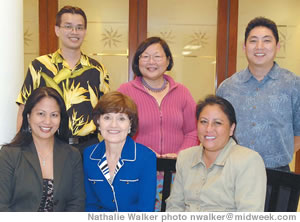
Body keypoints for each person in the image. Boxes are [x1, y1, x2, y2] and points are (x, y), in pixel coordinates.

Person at [118, 36, 198, 210]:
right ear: (137, 60)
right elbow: (115, 132)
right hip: (137, 170)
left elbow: (193, 131)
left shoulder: (182, 92)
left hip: (177, 172)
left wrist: (181, 155)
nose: (151, 62)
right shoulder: (125, 92)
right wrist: (143, 153)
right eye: (145, 56)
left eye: (157, 56)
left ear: (168, 60)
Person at [16, 6, 109, 153]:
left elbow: (106, 112)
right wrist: (21, 148)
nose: (74, 32)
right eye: (68, 26)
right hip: (49, 144)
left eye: (79, 27)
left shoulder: (97, 69)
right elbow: (24, 108)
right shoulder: (39, 65)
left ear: (85, 31)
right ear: (57, 30)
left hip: (89, 147)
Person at [216, 17, 300, 171]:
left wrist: (279, 154)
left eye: (267, 40)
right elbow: (218, 129)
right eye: (253, 41)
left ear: (277, 46)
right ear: (244, 47)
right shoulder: (227, 87)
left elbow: (298, 131)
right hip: (234, 171)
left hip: (278, 173)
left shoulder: (293, 84)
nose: (259, 47)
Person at [166, 95, 266, 212]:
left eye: (217, 123)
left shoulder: (248, 161)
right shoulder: (186, 157)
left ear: (231, 129)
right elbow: (175, 205)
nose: (208, 129)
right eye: (203, 122)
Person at [0, 87, 85, 212]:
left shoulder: (73, 155)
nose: (47, 121)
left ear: (61, 118)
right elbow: (2, 205)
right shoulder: (9, 154)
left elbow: (76, 203)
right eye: (41, 114)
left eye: (54, 115)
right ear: (28, 117)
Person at [83, 91, 157, 212]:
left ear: (130, 124)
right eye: (107, 117)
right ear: (98, 122)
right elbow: (90, 205)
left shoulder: (146, 157)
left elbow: (146, 209)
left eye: (121, 119)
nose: (113, 125)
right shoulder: (89, 155)